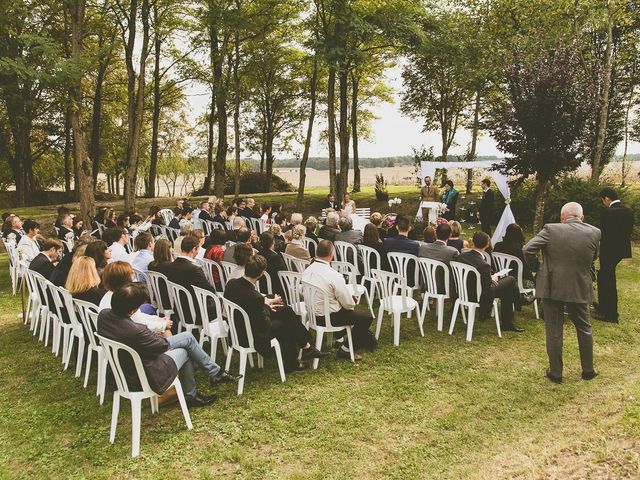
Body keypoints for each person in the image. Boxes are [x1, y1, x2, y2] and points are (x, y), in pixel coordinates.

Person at [97, 283, 240, 408]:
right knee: (186, 348)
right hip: (144, 373)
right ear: (132, 310)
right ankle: (197, 391)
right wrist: (160, 327)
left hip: (123, 368)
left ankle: (212, 377)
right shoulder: (135, 331)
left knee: (187, 340)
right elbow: (161, 346)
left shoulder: (104, 315)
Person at [523, 202, 601, 383]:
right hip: (579, 284)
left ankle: (556, 372)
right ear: (582, 218)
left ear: (562, 218)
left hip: (552, 285)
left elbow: (527, 249)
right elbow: (594, 256)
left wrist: (539, 269)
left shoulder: (550, 230)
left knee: (554, 329)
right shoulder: (595, 232)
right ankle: (588, 369)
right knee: (584, 327)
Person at [224, 255, 328, 372]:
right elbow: (265, 324)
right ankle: (298, 355)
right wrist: (267, 306)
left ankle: (306, 348)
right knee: (284, 323)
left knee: (286, 311)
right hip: (249, 335)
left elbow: (246, 301)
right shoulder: (255, 298)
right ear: (261, 274)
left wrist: (266, 302)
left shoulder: (232, 284)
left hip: (236, 328)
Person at [302, 240, 376, 360]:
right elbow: (347, 304)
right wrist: (352, 301)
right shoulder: (334, 275)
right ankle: (345, 349)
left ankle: (340, 338)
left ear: (317, 253)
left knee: (339, 307)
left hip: (312, 315)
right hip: (328, 318)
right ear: (331, 254)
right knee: (366, 318)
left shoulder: (307, 270)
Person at [458, 232, 524, 332]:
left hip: (464, 292)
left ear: (473, 242)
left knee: (508, 288)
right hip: (480, 295)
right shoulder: (483, 265)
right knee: (511, 280)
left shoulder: (461, 256)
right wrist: (492, 279)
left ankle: (509, 319)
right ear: (487, 244)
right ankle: (517, 304)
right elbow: (487, 287)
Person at [162, 236, 217, 332]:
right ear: (193, 249)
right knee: (221, 303)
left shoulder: (170, 266)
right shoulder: (194, 269)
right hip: (196, 313)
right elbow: (210, 291)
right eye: (197, 249)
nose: (198, 252)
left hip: (179, 310)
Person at [99, 261, 170, 334]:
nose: (133, 276)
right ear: (124, 279)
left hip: (117, 337)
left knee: (148, 308)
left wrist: (158, 319)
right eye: (131, 274)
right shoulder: (123, 300)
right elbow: (138, 324)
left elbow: (137, 317)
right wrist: (163, 324)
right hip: (130, 339)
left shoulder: (108, 296)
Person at [596, 187, 634, 323]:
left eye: (603, 200)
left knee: (607, 280)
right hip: (621, 250)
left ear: (607, 198)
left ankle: (609, 313)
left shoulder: (607, 213)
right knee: (606, 277)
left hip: (608, 251)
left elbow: (602, 233)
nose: (603, 203)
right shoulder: (628, 210)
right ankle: (605, 309)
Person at [419, 223, 459, 294]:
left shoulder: (423, 248)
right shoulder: (453, 252)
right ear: (450, 235)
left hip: (426, 284)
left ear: (435, 234)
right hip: (443, 288)